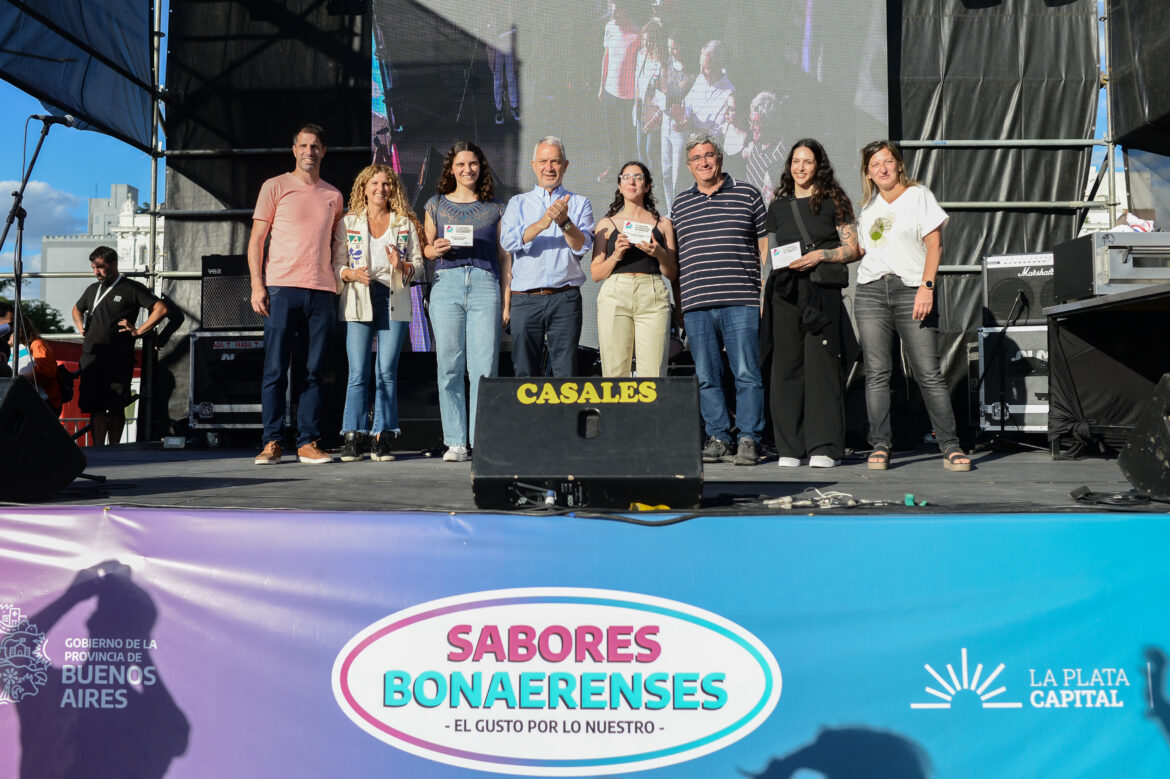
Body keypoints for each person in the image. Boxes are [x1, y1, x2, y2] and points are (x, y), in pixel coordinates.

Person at [854, 140, 972, 472]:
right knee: (877, 374)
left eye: (888, 162)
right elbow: (864, 252)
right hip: (871, 292)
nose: (883, 169)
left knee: (928, 373)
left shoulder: (919, 196)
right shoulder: (869, 209)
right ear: (868, 173)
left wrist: (927, 286)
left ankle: (950, 446)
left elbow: (934, 245)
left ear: (899, 165)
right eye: (875, 165)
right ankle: (880, 444)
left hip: (911, 289)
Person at [249, 123, 345, 465]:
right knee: (275, 369)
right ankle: (272, 441)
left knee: (314, 371)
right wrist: (257, 285)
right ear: (294, 150)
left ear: (323, 151)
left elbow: (339, 247)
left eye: (315, 146)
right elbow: (257, 240)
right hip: (281, 288)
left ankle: (307, 442)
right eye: (303, 146)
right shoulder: (274, 186)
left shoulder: (334, 195)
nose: (309, 151)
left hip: (320, 291)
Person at [762, 139, 860, 469]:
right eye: (795, 161)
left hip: (821, 290)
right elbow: (771, 255)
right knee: (785, 368)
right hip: (785, 292)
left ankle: (825, 446)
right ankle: (790, 447)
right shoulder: (777, 205)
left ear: (819, 165)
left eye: (807, 161)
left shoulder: (835, 200)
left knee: (822, 368)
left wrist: (820, 254)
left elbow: (853, 249)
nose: (800, 167)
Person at [671, 133, 768, 466]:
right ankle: (718, 436)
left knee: (746, 373)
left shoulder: (748, 194)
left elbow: (764, 245)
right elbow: (678, 258)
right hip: (697, 303)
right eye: (696, 158)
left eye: (708, 155)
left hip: (740, 299)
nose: (703, 162)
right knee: (707, 375)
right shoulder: (680, 204)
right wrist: (680, 303)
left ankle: (749, 438)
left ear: (720, 159)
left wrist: (762, 288)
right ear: (688, 166)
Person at [423, 142, 510, 462]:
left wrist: (506, 300)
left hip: (486, 285)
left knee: (484, 368)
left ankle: (481, 439)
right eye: (460, 164)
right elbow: (426, 250)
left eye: (473, 163)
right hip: (446, 284)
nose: (467, 169)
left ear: (480, 167)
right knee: (449, 366)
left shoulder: (496, 208)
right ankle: (456, 441)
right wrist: (437, 249)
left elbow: (505, 257)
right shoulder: (435, 205)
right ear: (451, 169)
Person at [333, 164, 423, 463]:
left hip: (393, 295)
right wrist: (348, 274)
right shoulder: (349, 222)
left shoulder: (404, 223)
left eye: (386, 184)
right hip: (359, 296)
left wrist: (403, 266)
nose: (380, 189)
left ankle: (382, 435)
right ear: (364, 187)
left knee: (386, 372)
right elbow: (335, 264)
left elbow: (419, 265)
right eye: (375, 183)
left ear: (393, 189)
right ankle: (353, 434)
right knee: (358, 372)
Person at [500, 136, 595, 377]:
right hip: (525, 299)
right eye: (543, 161)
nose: (549, 167)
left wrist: (564, 222)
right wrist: (542, 224)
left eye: (555, 161)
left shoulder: (580, 202)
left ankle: (563, 416)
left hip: (565, 298)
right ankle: (526, 417)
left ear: (565, 165)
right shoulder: (518, 202)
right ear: (533, 165)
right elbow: (508, 242)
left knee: (565, 374)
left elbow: (581, 247)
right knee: (524, 374)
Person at [71, 246, 168, 445]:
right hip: (92, 356)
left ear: (113, 264)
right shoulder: (92, 289)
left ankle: (114, 449)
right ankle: (98, 449)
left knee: (116, 405)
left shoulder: (131, 287)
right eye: (93, 268)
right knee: (96, 406)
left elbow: (161, 308)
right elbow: (76, 309)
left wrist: (140, 330)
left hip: (118, 357)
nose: (96, 272)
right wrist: (80, 326)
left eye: (100, 267)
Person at [591, 161, 678, 377]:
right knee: (614, 371)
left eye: (638, 177)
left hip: (653, 292)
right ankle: (616, 412)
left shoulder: (663, 223)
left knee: (654, 373)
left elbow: (672, 273)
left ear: (647, 186)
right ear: (620, 186)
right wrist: (615, 256)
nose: (632, 181)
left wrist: (658, 252)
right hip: (615, 293)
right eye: (626, 177)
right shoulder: (606, 224)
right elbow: (596, 274)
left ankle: (651, 412)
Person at [658, 35, 695, 212]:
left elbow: (682, 96)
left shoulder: (693, 72)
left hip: (680, 126)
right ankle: (669, 209)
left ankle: (677, 212)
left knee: (677, 175)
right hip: (666, 120)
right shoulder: (670, 65)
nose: (672, 52)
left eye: (675, 48)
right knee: (665, 170)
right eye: (669, 48)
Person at [9, 309, 63, 415]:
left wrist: (21, 379)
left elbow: (47, 372)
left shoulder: (37, 345)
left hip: (42, 402)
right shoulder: (10, 349)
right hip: (22, 403)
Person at [743, 91, 787, 207]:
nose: (751, 127)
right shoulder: (757, 144)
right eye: (750, 121)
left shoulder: (779, 157)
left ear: (770, 124)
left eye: (756, 123)